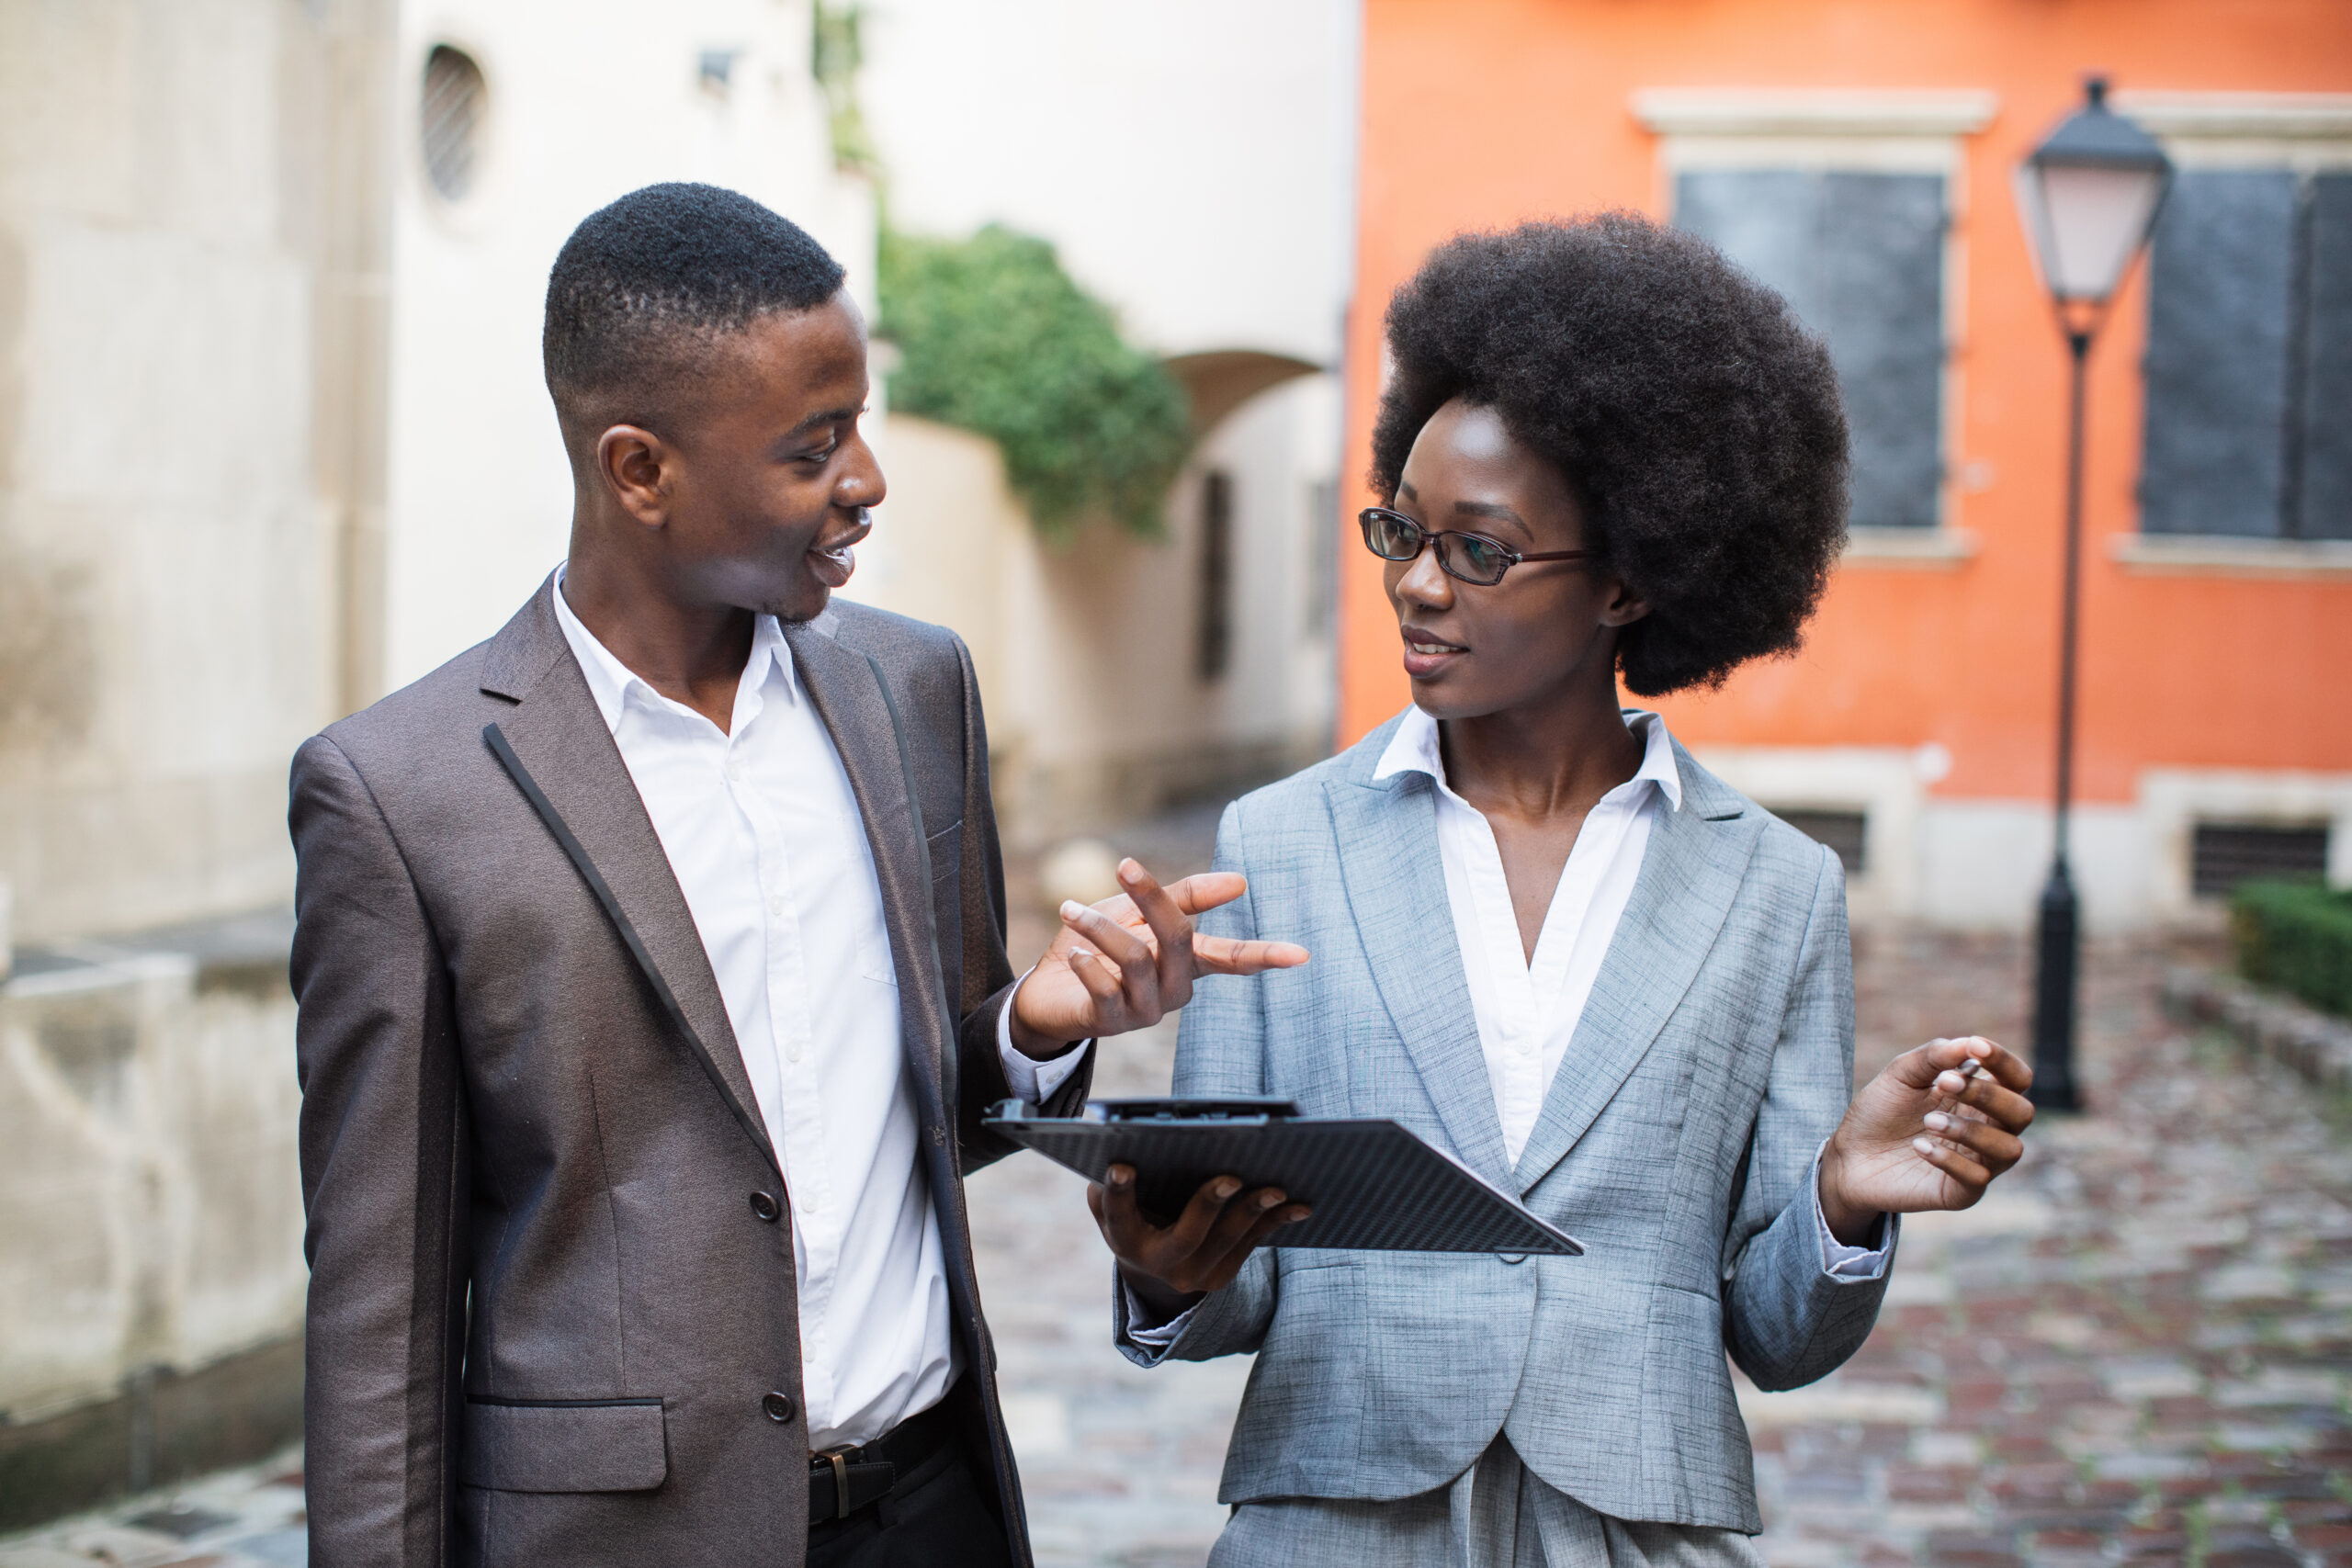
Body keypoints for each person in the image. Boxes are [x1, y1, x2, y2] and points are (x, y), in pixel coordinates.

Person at [288, 182, 1304, 1568]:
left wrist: (1035, 1027)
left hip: (934, 1507)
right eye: (814, 444)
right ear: (638, 470)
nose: (869, 479)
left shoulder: (911, 688)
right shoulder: (401, 793)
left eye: (863, 424)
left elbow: (939, 1106)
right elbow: (377, 1310)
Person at [1086, 215, 2038, 1567]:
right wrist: (1164, 1267)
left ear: (1630, 580)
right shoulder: (1278, 844)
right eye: (1398, 531)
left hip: (1637, 1523)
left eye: (1478, 550)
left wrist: (1839, 1197)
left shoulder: (1776, 888)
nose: (1416, 584)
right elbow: (1229, 1281)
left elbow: (1776, 1338)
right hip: (1334, 1523)